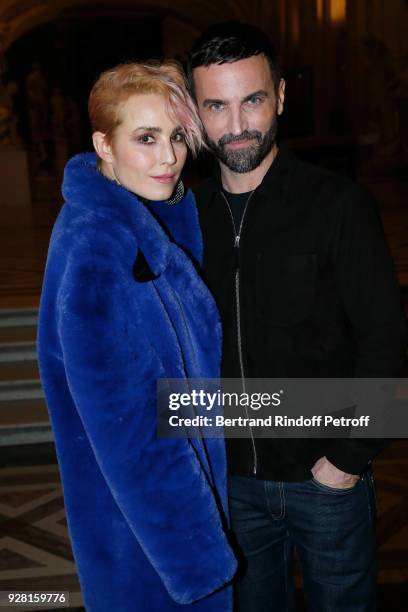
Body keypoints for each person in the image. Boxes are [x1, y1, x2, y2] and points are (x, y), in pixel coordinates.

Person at [187, 22, 408, 612]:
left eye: (252, 100)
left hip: (327, 480)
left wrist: (346, 459)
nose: (236, 126)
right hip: (229, 486)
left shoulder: (339, 205)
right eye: (216, 106)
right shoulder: (183, 218)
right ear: (196, 113)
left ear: (280, 97)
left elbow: (387, 342)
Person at [37, 61, 237, 612]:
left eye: (176, 137)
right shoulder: (99, 247)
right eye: (146, 138)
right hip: (151, 547)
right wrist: (200, 561)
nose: (169, 157)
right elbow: (132, 433)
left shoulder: (140, 224)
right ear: (104, 143)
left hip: (157, 527)